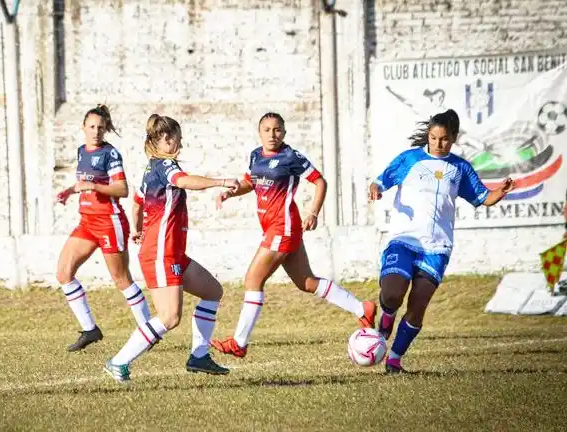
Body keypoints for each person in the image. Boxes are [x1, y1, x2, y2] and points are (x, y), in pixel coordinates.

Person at [210, 112, 377, 359]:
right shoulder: (256, 155)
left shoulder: (291, 157)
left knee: (252, 280)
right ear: (259, 132)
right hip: (274, 228)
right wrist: (230, 193)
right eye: (267, 129)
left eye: (277, 130)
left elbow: (320, 181)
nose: (272, 134)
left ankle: (239, 343)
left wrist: (313, 212)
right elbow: (250, 182)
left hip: (284, 226)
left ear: (284, 133)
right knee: (306, 282)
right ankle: (362, 308)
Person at [369, 109, 516, 373]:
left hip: (437, 248)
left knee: (417, 306)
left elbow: (483, 198)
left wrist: (500, 192)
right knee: (392, 294)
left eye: (445, 139)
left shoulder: (460, 168)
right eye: (434, 137)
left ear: (454, 138)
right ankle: (387, 316)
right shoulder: (409, 159)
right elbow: (381, 181)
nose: (438, 144)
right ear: (428, 135)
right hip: (404, 240)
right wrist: (375, 189)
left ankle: (394, 360)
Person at [103, 114, 239, 382]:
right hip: (160, 253)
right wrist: (220, 182)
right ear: (166, 139)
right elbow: (184, 181)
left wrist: (137, 228)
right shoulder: (165, 166)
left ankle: (199, 356)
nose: (181, 143)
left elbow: (138, 202)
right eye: (178, 138)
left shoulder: (151, 168)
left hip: (171, 251)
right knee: (169, 317)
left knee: (212, 291)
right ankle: (118, 362)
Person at [54, 105, 151, 351]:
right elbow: (83, 182)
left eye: (100, 127)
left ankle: (149, 331)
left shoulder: (110, 154)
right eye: (91, 126)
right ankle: (90, 329)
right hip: (87, 222)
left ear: (106, 129)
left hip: (110, 222)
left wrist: (94, 187)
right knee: (64, 273)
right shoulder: (81, 151)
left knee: (121, 279)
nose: (96, 131)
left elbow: (122, 190)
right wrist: (69, 191)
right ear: (83, 128)